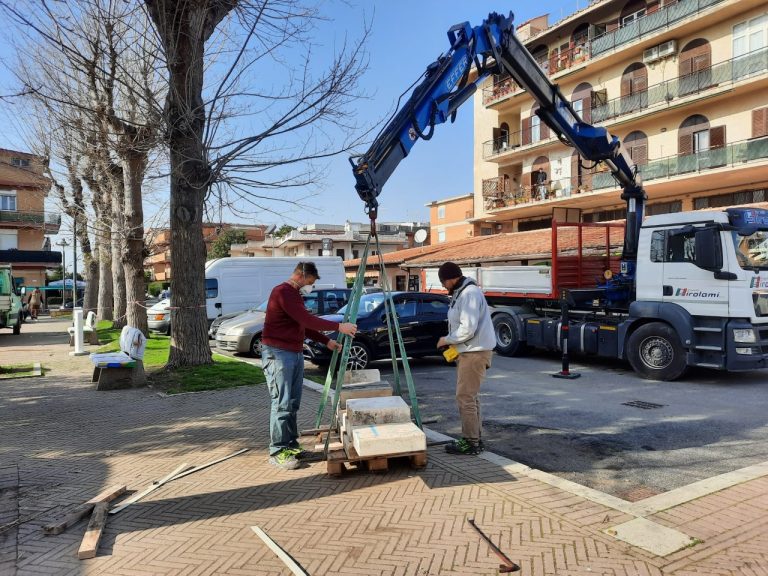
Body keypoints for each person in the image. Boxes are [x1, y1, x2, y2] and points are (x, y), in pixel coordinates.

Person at [262, 261, 358, 470]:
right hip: (278, 354)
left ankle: (291, 446)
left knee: (292, 403)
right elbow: (306, 319)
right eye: (311, 282)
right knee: (282, 403)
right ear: (301, 276)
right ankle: (278, 451)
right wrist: (339, 326)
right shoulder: (283, 292)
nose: (311, 286)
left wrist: (327, 341)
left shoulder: (294, 295)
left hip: (292, 353)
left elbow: (301, 324)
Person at [436, 262, 496, 455]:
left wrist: (446, 339)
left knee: (465, 397)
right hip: (469, 351)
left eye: (444, 282)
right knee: (470, 397)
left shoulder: (469, 294)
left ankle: (470, 442)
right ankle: (475, 439)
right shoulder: (463, 292)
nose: (444, 286)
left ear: (451, 278)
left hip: (474, 352)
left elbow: (467, 328)